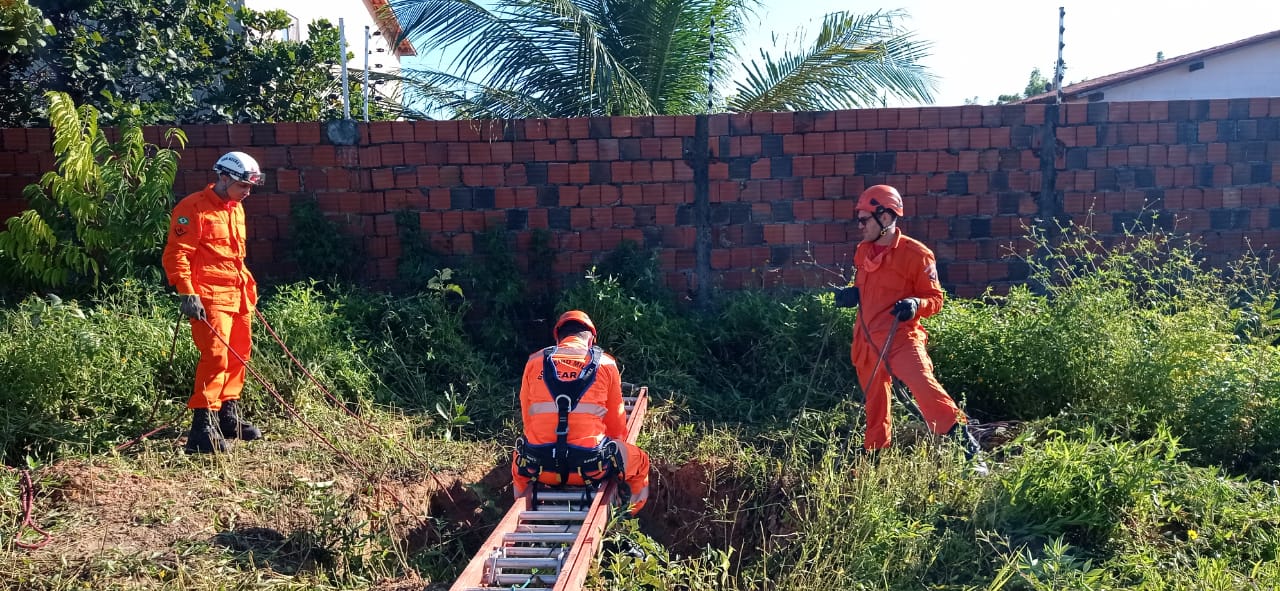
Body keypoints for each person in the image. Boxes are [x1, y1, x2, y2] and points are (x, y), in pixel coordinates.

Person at [834, 185, 985, 471]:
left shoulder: (917, 254)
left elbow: (936, 299)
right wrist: (851, 294)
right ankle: (874, 459)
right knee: (875, 404)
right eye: (859, 219)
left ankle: (969, 450)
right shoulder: (862, 251)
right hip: (866, 340)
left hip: (901, 337)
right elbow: (866, 286)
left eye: (864, 220)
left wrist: (916, 303)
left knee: (925, 388)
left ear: (886, 217)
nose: (859, 226)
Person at [162, 151, 265, 454]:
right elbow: (176, 254)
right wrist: (186, 292)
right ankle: (202, 429)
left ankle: (227, 416)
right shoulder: (192, 208)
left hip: (238, 294)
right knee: (215, 358)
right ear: (224, 177)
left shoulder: (236, 209)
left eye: (250, 187)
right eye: (243, 186)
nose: (247, 192)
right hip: (209, 296)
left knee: (239, 355)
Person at [511, 311, 651, 516]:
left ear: (558, 337)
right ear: (591, 339)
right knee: (640, 462)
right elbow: (616, 425)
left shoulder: (534, 362)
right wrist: (614, 452)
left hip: (540, 468)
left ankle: (524, 514)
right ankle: (628, 515)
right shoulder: (605, 364)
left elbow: (527, 418)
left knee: (518, 461)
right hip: (591, 467)